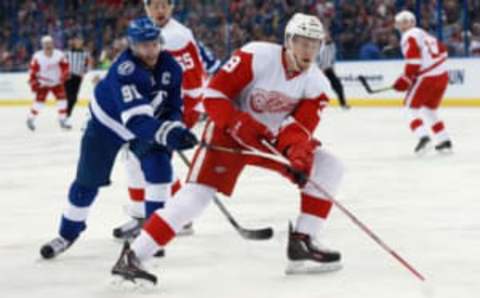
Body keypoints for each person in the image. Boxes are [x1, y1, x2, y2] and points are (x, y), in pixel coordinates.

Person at [111, 13, 344, 285]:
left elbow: (299, 130)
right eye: (302, 43)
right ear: (288, 41)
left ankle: (302, 244)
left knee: (329, 166)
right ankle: (134, 257)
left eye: (314, 45)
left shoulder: (317, 84)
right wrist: (236, 123)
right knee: (196, 196)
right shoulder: (256, 56)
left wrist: (297, 154)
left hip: (267, 141)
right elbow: (214, 94)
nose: (308, 51)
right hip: (227, 136)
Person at [39, 17, 197, 260]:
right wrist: (169, 134)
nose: (150, 50)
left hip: (147, 125)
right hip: (108, 126)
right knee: (87, 183)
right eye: (144, 45)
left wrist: (175, 125)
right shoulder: (126, 70)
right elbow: (135, 121)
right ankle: (67, 235)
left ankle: (151, 236)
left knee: (160, 170)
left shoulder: (172, 68)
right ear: (133, 46)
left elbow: (173, 105)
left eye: (154, 43)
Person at [113, 0, 211, 240]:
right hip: (156, 110)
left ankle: (165, 218)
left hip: (173, 111)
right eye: (154, 6)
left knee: (142, 160)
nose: (159, 11)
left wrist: (185, 116)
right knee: (140, 161)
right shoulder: (151, 31)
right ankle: (170, 217)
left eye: (163, 6)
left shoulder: (176, 35)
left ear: (172, 7)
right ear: (146, 8)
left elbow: (193, 78)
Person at [393, 10, 453, 154]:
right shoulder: (424, 34)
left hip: (428, 77)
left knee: (410, 108)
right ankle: (444, 140)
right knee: (429, 110)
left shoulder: (408, 36)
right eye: (401, 22)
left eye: (405, 22)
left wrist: (406, 78)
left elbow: (414, 61)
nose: (402, 25)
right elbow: (444, 52)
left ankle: (423, 137)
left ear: (412, 22)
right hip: (442, 76)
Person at [26, 35, 70, 131]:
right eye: (46, 44)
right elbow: (33, 70)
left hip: (57, 82)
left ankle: (62, 120)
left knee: (63, 101)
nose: (48, 45)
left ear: (53, 44)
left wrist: (64, 75)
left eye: (49, 43)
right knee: (39, 102)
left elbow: (65, 66)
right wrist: (33, 81)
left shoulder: (59, 54)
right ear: (42, 45)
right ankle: (30, 119)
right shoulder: (37, 56)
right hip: (43, 83)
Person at [64, 35, 93, 123]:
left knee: (74, 98)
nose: (78, 42)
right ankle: (65, 116)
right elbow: (62, 64)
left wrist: (84, 72)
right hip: (68, 77)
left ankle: (66, 115)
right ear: (73, 42)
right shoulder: (67, 53)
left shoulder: (85, 53)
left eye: (80, 40)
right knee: (69, 97)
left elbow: (89, 65)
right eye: (76, 40)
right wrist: (65, 73)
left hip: (77, 78)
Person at [317, 34, 350, 109]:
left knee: (338, 87)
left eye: (328, 37)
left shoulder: (332, 46)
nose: (327, 38)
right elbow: (319, 60)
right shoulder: (321, 48)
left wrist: (332, 69)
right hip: (320, 71)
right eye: (325, 37)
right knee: (317, 89)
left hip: (328, 70)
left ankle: (343, 104)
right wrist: (320, 70)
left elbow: (332, 59)